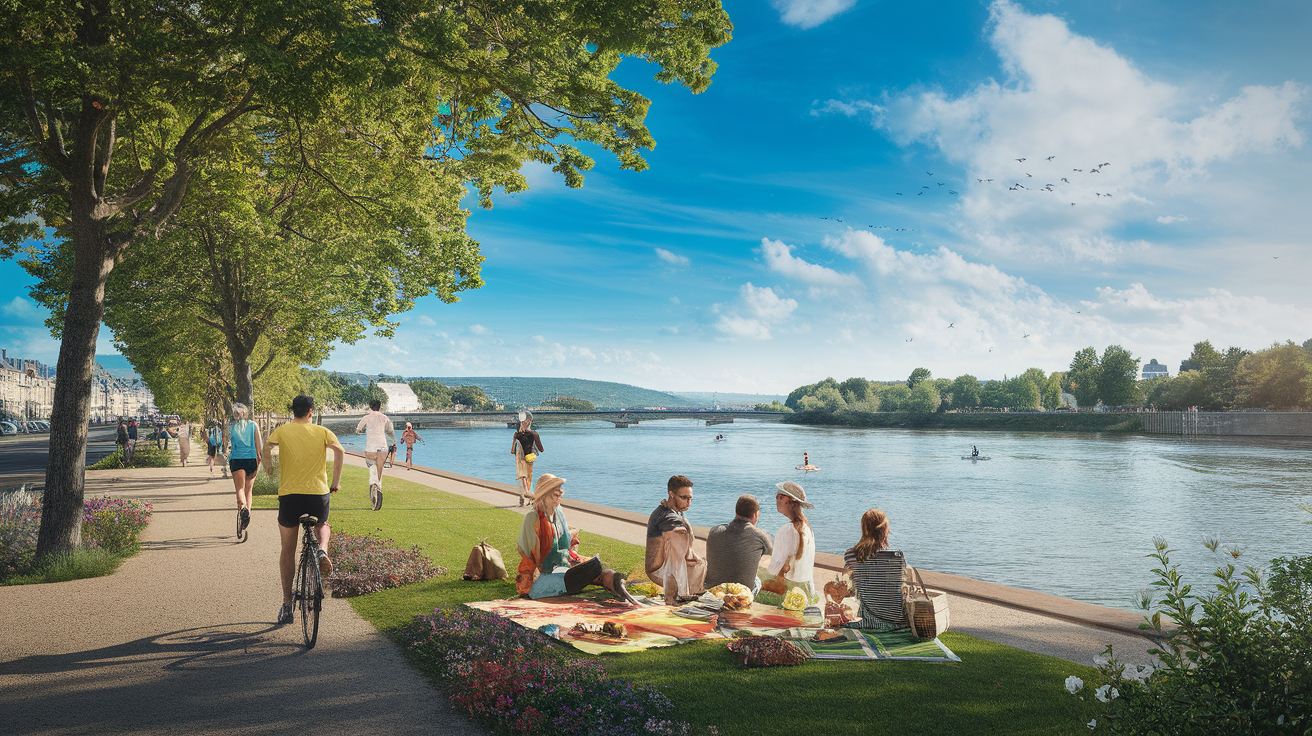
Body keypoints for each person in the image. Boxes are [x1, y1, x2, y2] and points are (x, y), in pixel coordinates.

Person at [263, 394, 344, 625]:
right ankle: (322, 550)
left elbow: (266, 448)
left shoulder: (282, 431)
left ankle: (288, 606)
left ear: (293, 411)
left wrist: (269, 469)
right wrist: (335, 482)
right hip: (318, 495)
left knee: (287, 551)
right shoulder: (322, 432)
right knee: (323, 525)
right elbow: (340, 451)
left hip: (290, 496)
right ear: (310, 411)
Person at [515, 474, 636, 602]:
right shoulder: (532, 518)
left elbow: (567, 548)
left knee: (604, 572)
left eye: (560, 490)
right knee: (573, 577)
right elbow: (529, 558)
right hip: (546, 576)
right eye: (556, 491)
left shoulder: (558, 513)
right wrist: (526, 587)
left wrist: (578, 561)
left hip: (565, 567)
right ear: (545, 494)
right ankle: (569, 583)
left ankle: (615, 585)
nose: (561, 493)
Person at [842, 509, 908, 630]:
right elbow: (902, 588)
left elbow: (849, 587)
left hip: (867, 622)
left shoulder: (851, 555)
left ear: (863, 529)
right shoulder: (897, 558)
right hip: (895, 622)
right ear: (885, 531)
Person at [646, 475, 707, 605]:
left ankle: (687, 594)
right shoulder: (667, 517)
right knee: (677, 539)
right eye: (684, 498)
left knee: (702, 563)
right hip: (659, 568)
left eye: (690, 498)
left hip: (670, 565)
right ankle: (675, 597)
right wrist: (691, 554)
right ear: (671, 494)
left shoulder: (673, 510)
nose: (688, 502)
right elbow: (677, 536)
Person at [704, 494, 773, 593]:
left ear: (736, 512)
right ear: (756, 514)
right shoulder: (760, 535)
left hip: (712, 589)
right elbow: (774, 551)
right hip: (741, 593)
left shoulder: (714, 531)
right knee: (757, 580)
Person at [761, 481, 816, 599]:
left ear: (786, 500)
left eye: (778, 497)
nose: (776, 501)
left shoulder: (787, 530)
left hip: (789, 591)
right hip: (806, 588)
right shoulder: (806, 528)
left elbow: (774, 569)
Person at [228, 403, 263, 534]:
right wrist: (258, 462)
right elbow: (259, 446)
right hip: (251, 460)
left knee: (240, 489)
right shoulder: (254, 425)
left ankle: (242, 508)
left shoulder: (231, 427)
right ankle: (247, 512)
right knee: (249, 490)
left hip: (237, 459)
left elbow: (226, 444)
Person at [355, 399, 391, 507]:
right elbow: (389, 429)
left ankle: (374, 490)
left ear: (371, 407)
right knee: (380, 469)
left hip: (371, 447)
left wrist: (359, 431)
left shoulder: (367, 417)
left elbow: (358, 429)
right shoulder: (384, 417)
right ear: (380, 407)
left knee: (372, 469)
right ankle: (378, 486)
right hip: (383, 446)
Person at [511, 412, 544, 506]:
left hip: (520, 459)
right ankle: (527, 495)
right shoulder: (534, 434)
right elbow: (541, 449)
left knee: (523, 476)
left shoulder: (516, 434)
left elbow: (512, 451)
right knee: (527, 477)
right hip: (529, 459)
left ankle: (523, 498)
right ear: (530, 421)